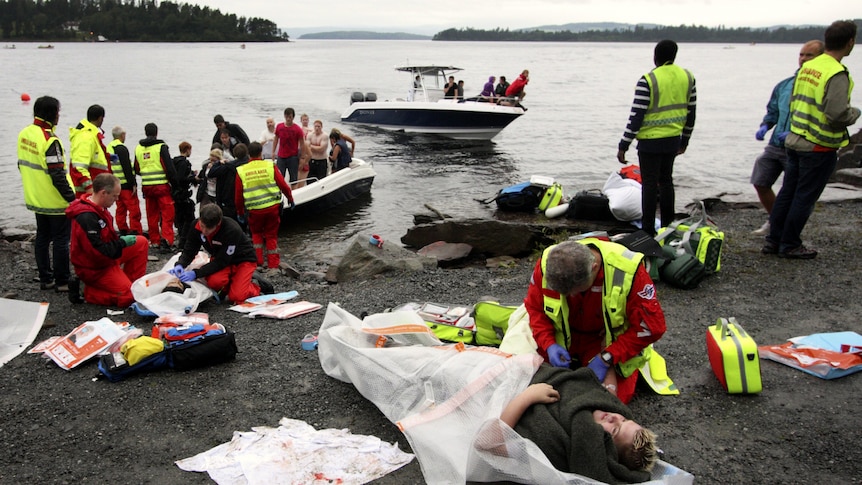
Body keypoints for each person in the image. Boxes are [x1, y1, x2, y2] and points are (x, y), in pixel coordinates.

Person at [524, 239, 667, 404]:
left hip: (605, 340)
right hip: (561, 335)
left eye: (575, 292)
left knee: (609, 403)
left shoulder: (628, 271)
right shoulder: (548, 264)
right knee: (528, 387)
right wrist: (548, 344)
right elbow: (535, 308)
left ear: (593, 268)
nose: (570, 297)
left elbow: (652, 328)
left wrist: (608, 356)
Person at [764, 20, 860, 259]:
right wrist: (855, 114)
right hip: (819, 144)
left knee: (788, 192)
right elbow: (836, 113)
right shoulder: (836, 72)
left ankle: (773, 241)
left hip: (796, 139)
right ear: (850, 42)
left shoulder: (809, 67)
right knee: (804, 197)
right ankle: (790, 243)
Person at [500, 365, 658, 481]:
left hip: (490, 396)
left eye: (615, 430)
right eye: (624, 419)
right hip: (510, 368)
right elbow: (610, 390)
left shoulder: (554, 449)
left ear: (603, 449)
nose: (614, 418)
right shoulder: (601, 403)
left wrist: (527, 397)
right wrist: (606, 358)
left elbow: (490, 445)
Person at [617, 40, 696, 236]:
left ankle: (648, 229)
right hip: (673, 139)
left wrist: (623, 145)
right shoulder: (688, 77)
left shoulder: (648, 80)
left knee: (650, 185)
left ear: (655, 56)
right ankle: (668, 226)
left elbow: (637, 115)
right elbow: (691, 111)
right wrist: (685, 140)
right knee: (667, 181)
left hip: (650, 142)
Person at [750, 40, 826, 236]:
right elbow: (773, 111)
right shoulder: (784, 85)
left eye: (809, 55)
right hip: (776, 144)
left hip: (800, 146)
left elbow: (821, 117)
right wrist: (765, 126)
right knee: (760, 180)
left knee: (794, 192)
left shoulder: (821, 85)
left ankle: (789, 231)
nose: (803, 59)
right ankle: (775, 220)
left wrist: (798, 133)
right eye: (802, 55)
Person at [17, 95, 76, 291]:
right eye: (58, 112)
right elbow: (57, 174)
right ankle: (62, 281)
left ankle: (45, 278)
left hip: (36, 198)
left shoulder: (24, 134)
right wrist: (72, 199)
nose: (59, 116)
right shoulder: (50, 140)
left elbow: (22, 165)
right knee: (61, 240)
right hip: (55, 201)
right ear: (52, 115)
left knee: (42, 237)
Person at [65, 174, 148, 306]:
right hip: (94, 267)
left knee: (141, 242)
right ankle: (88, 292)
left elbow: (106, 241)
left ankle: (131, 284)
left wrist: (120, 242)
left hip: (107, 258)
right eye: (114, 196)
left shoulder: (100, 209)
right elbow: (97, 253)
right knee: (128, 297)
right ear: (103, 193)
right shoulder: (87, 217)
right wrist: (121, 243)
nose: (116, 200)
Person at [172, 203, 271, 303]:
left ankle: (256, 285)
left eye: (209, 229)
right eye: (202, 226)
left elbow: (221, 261)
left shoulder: (231, 230)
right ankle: (235, 283)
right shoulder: (196, 226)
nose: (204, 231)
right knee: (214, 282)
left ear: (218, 223)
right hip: (222, 259)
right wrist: (180, 264)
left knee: (237, 297)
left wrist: (196, 273)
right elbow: (190, 249)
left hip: (243, 260)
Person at [235, 141, 295, 271]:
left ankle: (259, 262)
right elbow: (283, 185)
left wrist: (239, 212)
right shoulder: (269, 166)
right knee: (271, 235)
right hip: (272, 208)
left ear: (248, 154)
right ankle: (273, 264)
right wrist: (290, 198)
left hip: (254, 210)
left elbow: (238, 196)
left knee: (256, 234)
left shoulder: (241, 171)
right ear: (261, 152)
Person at [134, 122, 178, 253]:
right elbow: (169, 168)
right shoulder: (161, 147)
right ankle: (166, 241)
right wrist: (175, 184)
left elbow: (136, 168)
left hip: (147, 186)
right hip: (161, 186)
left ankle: (154, 241)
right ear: (156, 132)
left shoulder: (138, 148)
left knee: (151, 214)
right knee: (167, 214)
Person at [106, 126, 142, 236]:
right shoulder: (121, 148)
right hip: (126, 185)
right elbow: (126, 167)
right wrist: (133, 184)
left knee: (120, 208)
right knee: (133, 209)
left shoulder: (109, 148)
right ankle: (135, 230)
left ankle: (122, 228)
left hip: (115, 184)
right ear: (122, 135)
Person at [69, 104, 110, 198]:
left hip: (96, 193)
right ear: (101, 118)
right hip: (88, 195)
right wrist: (90, 189)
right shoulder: (86, 137)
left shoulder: (91, 135)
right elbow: (79, 167)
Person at [209, 142, 248, 227]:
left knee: (230, 227)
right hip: (247, 200)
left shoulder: (227, 166)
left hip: (228, 200)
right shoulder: (249, 165)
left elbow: (211, 173)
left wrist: (218, 163)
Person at [271, 107, 309, 184]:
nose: (288, 119)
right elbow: (276, 139)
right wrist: (273, 151)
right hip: (281, 156)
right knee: (280, 178)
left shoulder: (297, 129)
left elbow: (302, 144)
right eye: (287, 117)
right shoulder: (279, 126)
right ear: (284, 116)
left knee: (293, 179)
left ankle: (293, 193)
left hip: (293, 157)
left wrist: (302, 158)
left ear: (293, 117)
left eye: (290, 117)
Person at [171, 141, 197, 250]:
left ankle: (181, 240)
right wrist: (193, 179)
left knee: (180, 218)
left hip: (175, 195)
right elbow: (181, 178)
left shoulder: (174, 161)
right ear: (187, 150)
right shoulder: (183, 163)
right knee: (189, 218)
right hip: (182, 195)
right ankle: (184, 242)